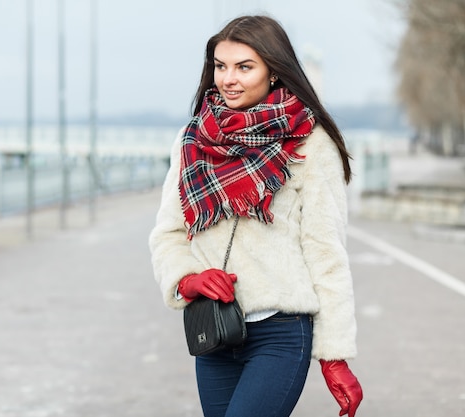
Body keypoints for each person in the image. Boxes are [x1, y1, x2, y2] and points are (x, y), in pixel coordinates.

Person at [148, 15, 363, 417]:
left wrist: (334, 355)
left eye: (244, 67)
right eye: (220, 65)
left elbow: (326, 252)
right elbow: (169, 233)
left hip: (281, 336)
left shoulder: (311, 145)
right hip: (215, 332)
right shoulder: (192, 139)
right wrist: (189, 278)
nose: (228, 78)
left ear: (274, 73)